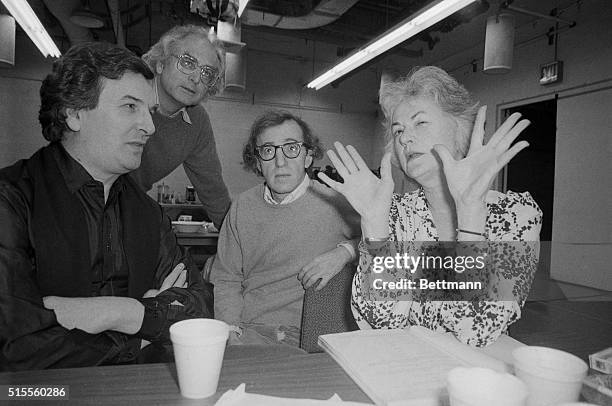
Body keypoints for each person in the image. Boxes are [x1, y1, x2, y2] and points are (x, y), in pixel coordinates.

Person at [0, 42, 213, 371]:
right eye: (130, 107)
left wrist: (120, 313)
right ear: (73, 113)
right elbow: (15, 348)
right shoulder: (11, 200)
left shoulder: (148, 213)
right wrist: (143, 332)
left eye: (150, 110)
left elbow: (199, 307)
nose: (150, 127)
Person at [318, 66, 542, 347]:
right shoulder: (399, 214)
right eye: (398, 130)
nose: (405, 138)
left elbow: (475, 333)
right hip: (410, 366)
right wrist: (375, 227)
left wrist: (471, 216)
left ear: (462, 130)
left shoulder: (517, 215)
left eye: (420, 123)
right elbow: (380, 323)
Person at [210, 111, 360, 346]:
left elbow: (383, 244)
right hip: (248, 331)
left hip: (308, 336)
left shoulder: (336, 203)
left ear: (308, 157)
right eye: (268, 151)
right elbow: (227, 278)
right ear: (258, 162)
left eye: (291, 148)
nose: (280, 162)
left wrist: (345, 252)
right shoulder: (242, 206)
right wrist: (229, 329)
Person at [130, 25, 231, 229]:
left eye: (207, 73)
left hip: (127, 202)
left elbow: (214, 192)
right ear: (161, 63)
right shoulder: (128, 92)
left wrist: (242, 244)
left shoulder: (197, 122)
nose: (195, 78)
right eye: (187, 62)